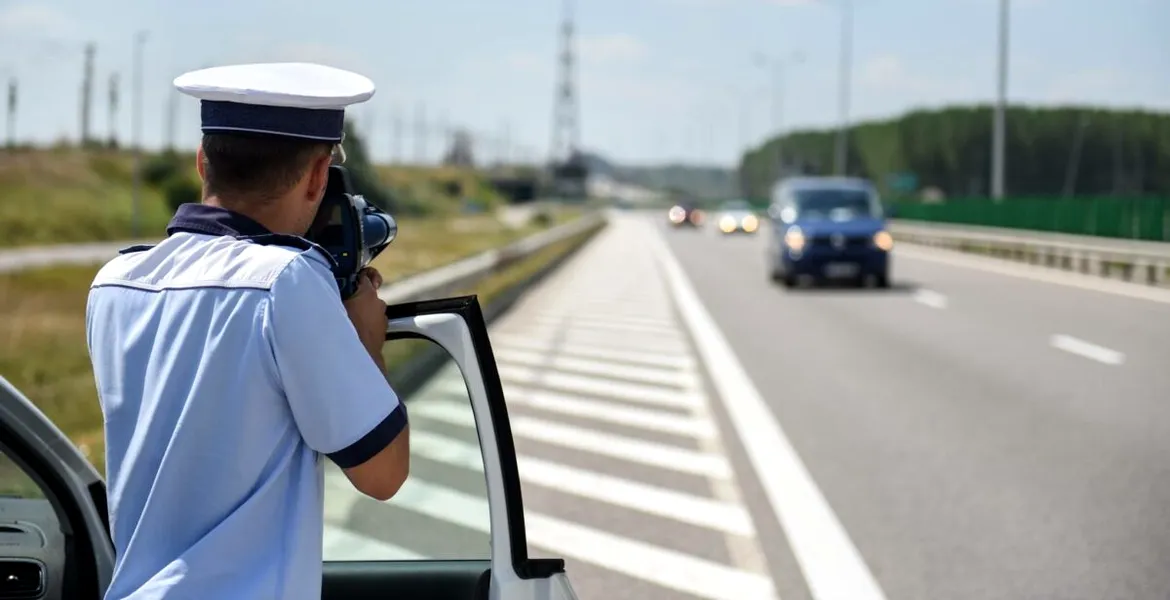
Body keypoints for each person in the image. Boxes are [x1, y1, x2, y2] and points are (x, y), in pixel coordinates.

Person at [85, 62, 410, 600]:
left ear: (201, 163)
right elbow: (384, 473)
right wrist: (367, 343)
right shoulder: (286, 282)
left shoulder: (115, 282)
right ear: (317, 176)